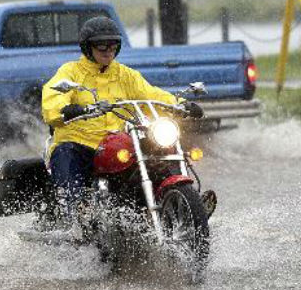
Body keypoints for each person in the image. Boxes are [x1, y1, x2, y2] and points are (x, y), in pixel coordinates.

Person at [41, 16, 203, 226]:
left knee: (157, 151)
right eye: (101, 45)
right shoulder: (70, 72)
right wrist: (66, 109)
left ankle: (182, 201)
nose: (108, 50)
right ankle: (72, 213)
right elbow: (52, 97)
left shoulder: (125, 75)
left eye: (113, 45)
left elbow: (150, 95)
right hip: (80, 142)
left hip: (115, 142)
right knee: (66, 152)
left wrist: (180, 104)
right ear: (87, 47)